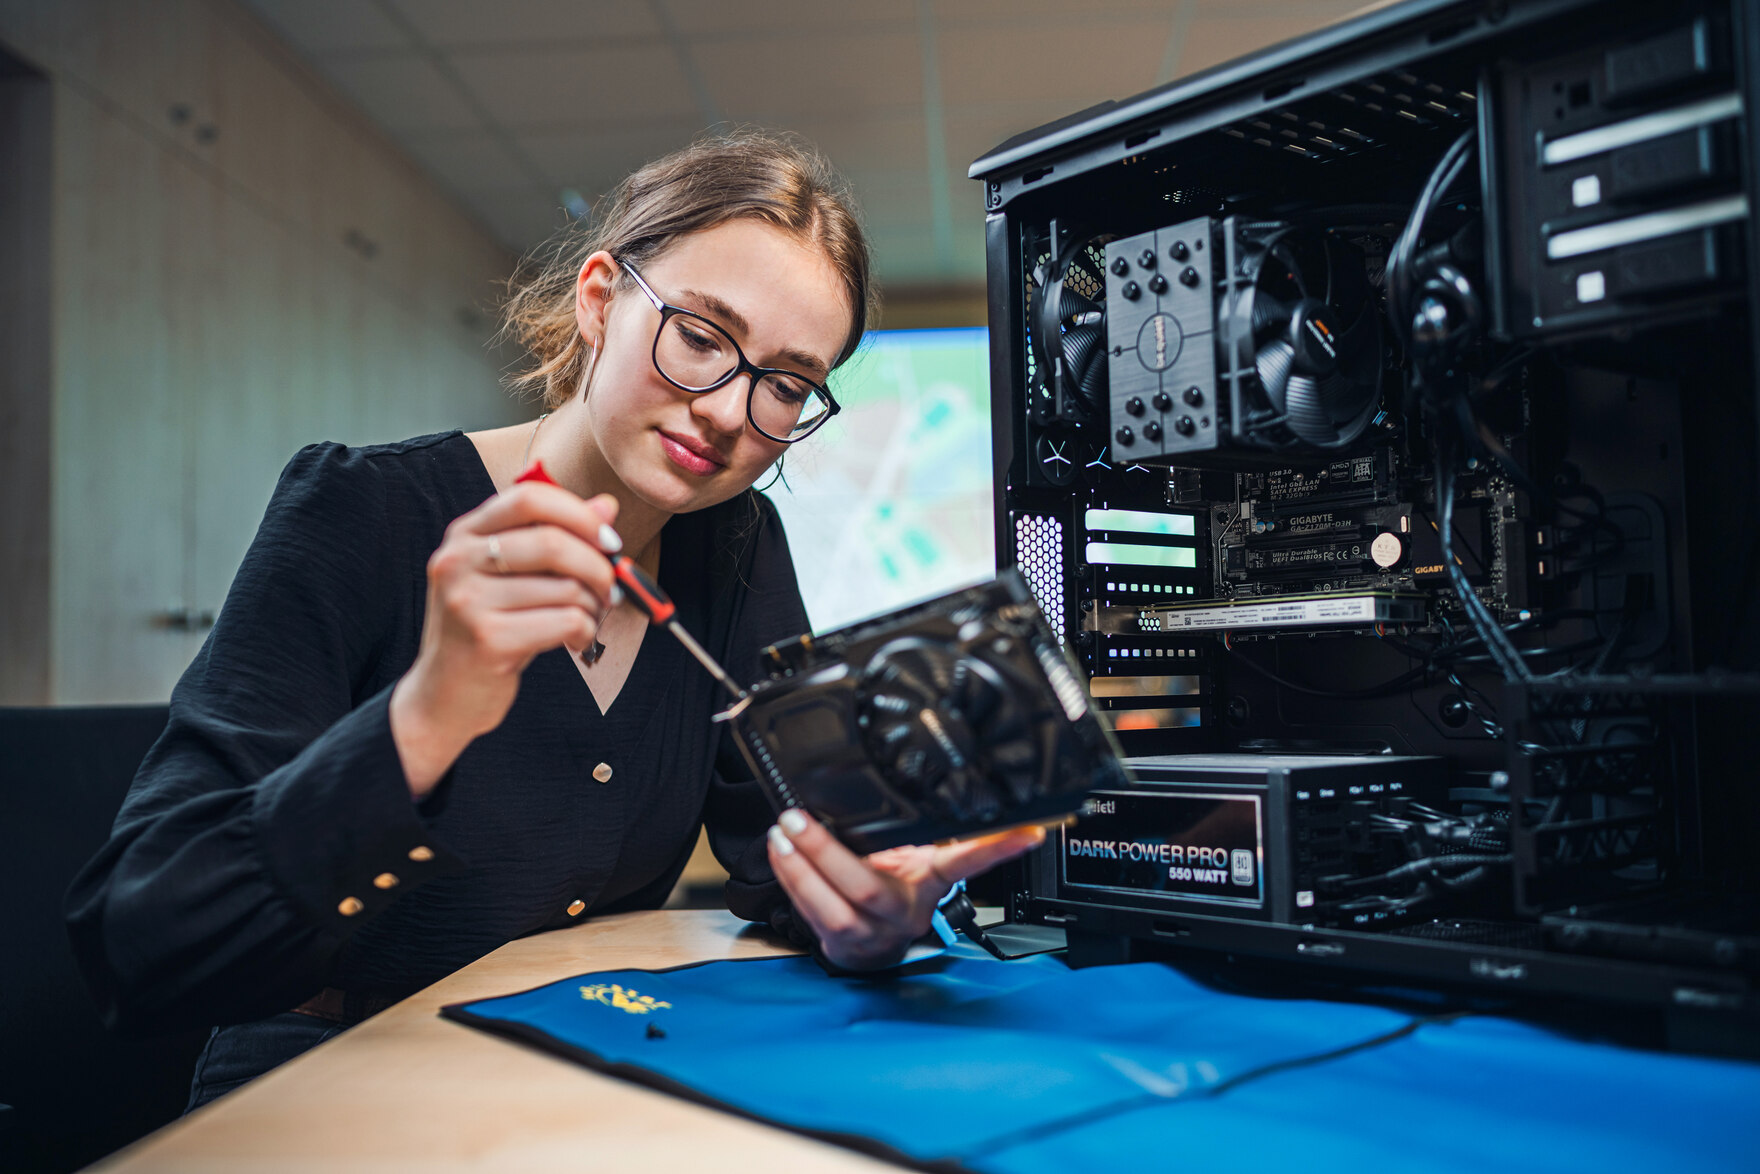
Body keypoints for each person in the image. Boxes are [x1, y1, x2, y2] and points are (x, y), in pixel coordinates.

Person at [66, 133, 1044, 1110]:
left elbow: (777, 851)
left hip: (573, 1077)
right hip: (326, 1091)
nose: (725, 411)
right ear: (596, 300)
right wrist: (428, 712)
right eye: (699, 336)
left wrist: (864, 913)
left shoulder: (735, 545)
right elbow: (138, 939)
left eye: (784, 384)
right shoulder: (355, 511)